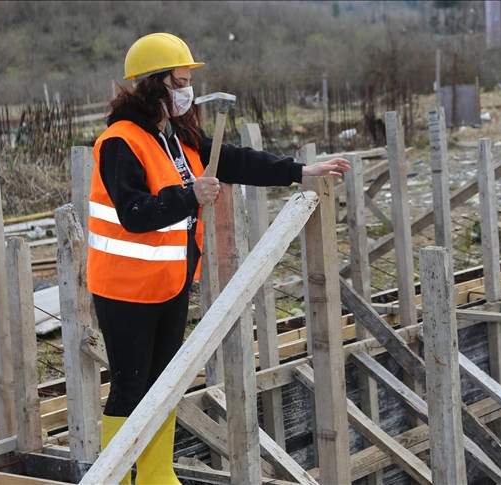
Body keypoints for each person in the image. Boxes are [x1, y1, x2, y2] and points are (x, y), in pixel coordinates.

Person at [87, 32, 349, 484]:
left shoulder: (176, 137)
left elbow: (236, 160)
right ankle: (116, 478)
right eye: (182, 81)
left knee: (164, 386)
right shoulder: (120, 142)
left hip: (169, 283)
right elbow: (133, 214)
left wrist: (299, 172)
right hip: (125, 288)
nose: (189, 90)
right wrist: (190, 196)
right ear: (156, 84)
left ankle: (155, 475)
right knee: (131, 387)